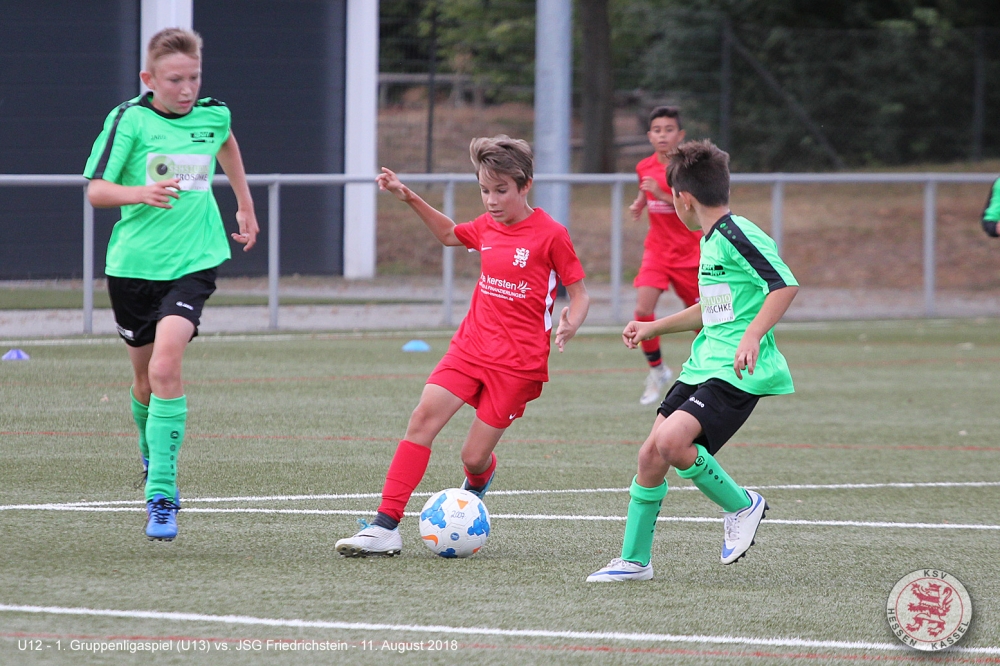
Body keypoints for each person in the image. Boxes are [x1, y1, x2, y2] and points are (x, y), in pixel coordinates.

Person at [335, 135, 590, 557]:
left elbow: (579, 293)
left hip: (518, 364)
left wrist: (572, 321)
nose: (491, 201)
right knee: (422, 419)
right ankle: (384, 525)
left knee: (472, 457)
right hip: (470, 347)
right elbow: (449, 234)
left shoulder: (551, 234)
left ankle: (477, 483)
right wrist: (407, 196)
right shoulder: (486, 225)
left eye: (501, 190)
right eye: (484, 190)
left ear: (525, 185)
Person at [588, 140, 798, 582]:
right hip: (703, 365)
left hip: (736, 371)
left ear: (683, 199)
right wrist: (653, 327)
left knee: (671, 442)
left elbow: (784, 285)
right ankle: (634, 560)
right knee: (650, 454)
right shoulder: (711, 240)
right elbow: (712, 310)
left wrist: (752, 336)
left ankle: (743, 505)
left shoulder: (737, 234)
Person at [83, 27, 259, 541]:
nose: (186, 89)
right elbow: (97, 191)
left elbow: (226, 142)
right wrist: (141, 192)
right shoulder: (129, 119)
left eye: (194, 78)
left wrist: (244, 204)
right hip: (133, 267)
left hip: (194, 261)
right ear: (149, 78)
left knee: (165, 366)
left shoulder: (213, 114)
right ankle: (150, 450)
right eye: (175, 79)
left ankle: (161, 494)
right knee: (143, 380)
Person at [629, 106, 703, 406]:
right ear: (649, 136)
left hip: (690, 254)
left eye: (669, 130)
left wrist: (661, 195)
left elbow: (694, 207)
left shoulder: (687, 169)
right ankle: (657, 370)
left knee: (705, 321)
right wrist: (640, 203)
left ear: (680, 134)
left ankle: (710, 372)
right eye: (657, 130)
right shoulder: (644, 166)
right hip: (657, 251)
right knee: (642, 310)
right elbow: (645, 190)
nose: (663, 135)